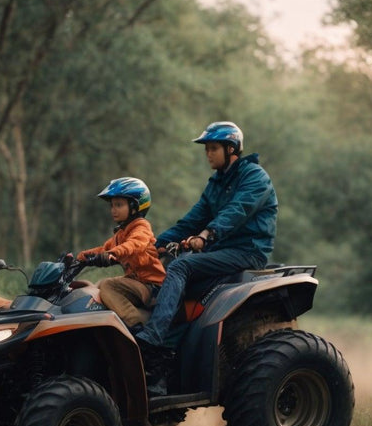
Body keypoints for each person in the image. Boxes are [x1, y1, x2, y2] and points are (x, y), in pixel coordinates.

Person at [135, 121, 278, 395]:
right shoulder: (216, 183)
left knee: (181, 266)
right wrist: (153, 246)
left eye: (213, 148)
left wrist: (207, 235)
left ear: (231, 149)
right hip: (220, 251)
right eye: (206, 149)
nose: (208, 154)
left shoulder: (254, 177)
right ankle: (162, 367)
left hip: (247, 252)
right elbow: (191, 220)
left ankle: (152, 339)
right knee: (170, 283)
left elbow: (237, 210)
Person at [75, 177, 165, 331]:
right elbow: (103, 249)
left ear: (135, 207)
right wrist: (80, 257)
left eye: (119, 205)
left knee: (108, 285)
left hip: (151, 287)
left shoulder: (142, 227)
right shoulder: (121, 233)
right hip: (135, 283)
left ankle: (136, 324)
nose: (113, 210)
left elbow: (134, 245)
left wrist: (114, 253)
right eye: (112, 205)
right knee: (97, 286)